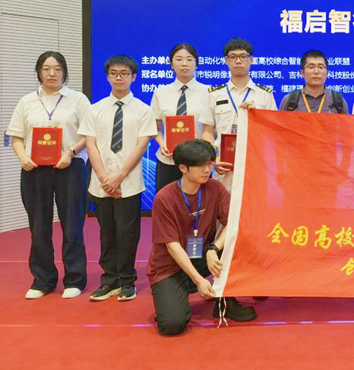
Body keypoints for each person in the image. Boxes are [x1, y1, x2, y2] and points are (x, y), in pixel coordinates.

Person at [147, 140, 256, 335]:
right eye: (201, 165)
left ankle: (225, 301)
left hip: (202, 255)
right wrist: (198, 280)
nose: (208, 170)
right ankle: (173, 299)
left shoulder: (215, 188)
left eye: (210, 163)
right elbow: (172, 247)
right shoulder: (165, 198)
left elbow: (233, 223)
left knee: (239, 241)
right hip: (170, 266)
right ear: (183, 168)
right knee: (172, 325)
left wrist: (214, 249)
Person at [6, 52, 91, 300]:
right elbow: (16, 136)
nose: (52, 73)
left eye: (57, 69)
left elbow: (89, 134)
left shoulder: (78, 99)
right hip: (34, 169)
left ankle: (75, 279)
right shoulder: (26, 101)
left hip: (70, 166)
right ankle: (42, 280)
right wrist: (23, 158)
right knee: (39, 226)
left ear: (64, 72)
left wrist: (71, 151)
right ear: (39, 72)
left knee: (72, 225)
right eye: (46, 69)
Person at [80, 55, 157, 302]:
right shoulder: (95, 109)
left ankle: (126, 280)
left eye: (124, 73)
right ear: (107, 77)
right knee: (107, 233)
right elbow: (90, 144)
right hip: (100, 182)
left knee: (127, 232)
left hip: (129, 182)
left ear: (134, 77)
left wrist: (120, 175)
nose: (119, 78)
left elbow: (141, 145)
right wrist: (105, 177)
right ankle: (109, 280)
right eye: (114, 73)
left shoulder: (144, 110)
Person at [200, 38, 277, 191]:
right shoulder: (215, 94)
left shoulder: (264, 95)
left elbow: (272, 131)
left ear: (251, 59)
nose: (238, 61)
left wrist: (257, 114)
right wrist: (213, 158)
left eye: (243, 56)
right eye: (233, 57)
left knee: (254, 202)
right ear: (226, 61)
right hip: (224, 164)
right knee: (223, 204)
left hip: (255, 161)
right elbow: (207, 131)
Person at [150, 44, 209, 193]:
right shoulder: (160, 93)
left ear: (196, 63)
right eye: (179, 59)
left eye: (189, 59)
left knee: (199, 202)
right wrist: (162, 143)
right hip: (168, 159)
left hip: (198, 160)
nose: (184, 64)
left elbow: (211, 128)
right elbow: (155, 128)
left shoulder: (209, 92)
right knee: (166, 201)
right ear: (171, 64)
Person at [279, 50, 349, 114]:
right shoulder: (289, 100)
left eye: (321, 67)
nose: (316, 71)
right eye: (311, 67)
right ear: (302, 73)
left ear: (327, 73)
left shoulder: (338, 101)